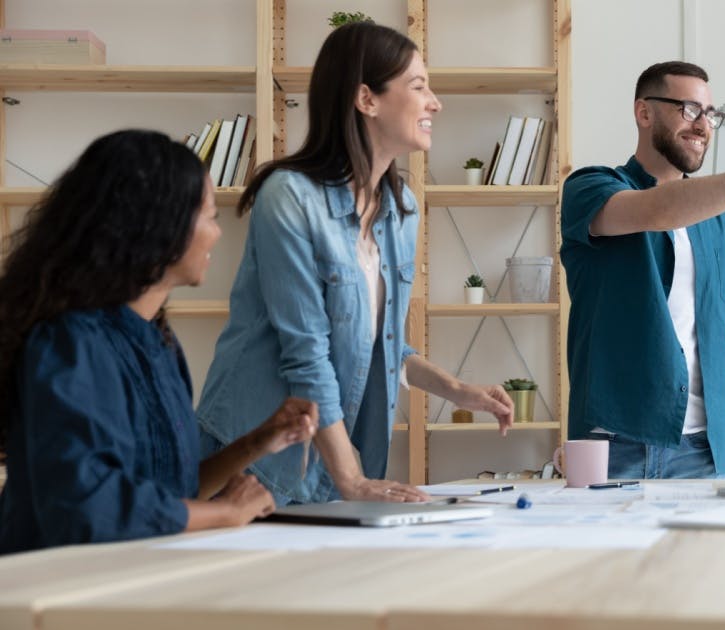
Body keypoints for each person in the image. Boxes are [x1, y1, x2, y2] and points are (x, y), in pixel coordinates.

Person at [196, 22, 514, 506]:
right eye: (418, 86)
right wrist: (353, 481)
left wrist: (457, 391)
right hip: (253, 465)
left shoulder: (401, 209)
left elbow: (380, 344)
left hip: (333, 464)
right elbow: (307, 353)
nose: (435, 102)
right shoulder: (290, 197)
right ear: (366, 99)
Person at [0, 130, 318, 554]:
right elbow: (87, 507)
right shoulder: (69, 343)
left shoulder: (159, 341)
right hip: (54, 592)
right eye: (208, 215)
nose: (217, 233)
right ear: (155, 224)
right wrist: (225, 513)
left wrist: (256, 443)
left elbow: (170, 489)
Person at [561, 62, 725, 479]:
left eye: (710, 115)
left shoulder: (722, 219)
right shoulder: (591, 188)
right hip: (616, 443)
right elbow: (659, 209)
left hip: (704, 450)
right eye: (689, 109)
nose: (702, 125)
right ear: (644, 113)